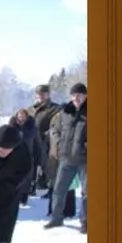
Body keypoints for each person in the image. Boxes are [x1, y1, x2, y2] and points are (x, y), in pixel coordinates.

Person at [45, 83, 88, 233]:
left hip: (85, 159)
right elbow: (54, 130)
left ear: (85, 96)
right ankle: (56, 218)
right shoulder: (65, 112)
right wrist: (57, 143)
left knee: (87, 192)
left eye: (80, 95)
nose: (76, 97)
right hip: (66, 158)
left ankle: (85, 222)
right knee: (59, 189)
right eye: (74, 95)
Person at [28, 84, 63, 193]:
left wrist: (48, 135)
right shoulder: (31, 109)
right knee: (31, 164)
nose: (40, 96)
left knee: (49, 165)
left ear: (48, 94)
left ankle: (51, 188)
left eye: (43, 94)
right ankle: (31, 186)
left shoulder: (55, 108)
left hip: (47, 141)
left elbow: (57, 124)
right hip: (32, 140)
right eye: (38, 94)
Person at [8, 109, 40, 205]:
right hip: (14, 156)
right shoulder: (11, 127)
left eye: (23, 116)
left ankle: (24, 197)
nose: (21, 118)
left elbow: (37, 144)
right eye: (19, 115)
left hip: (28, 156)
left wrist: (39, 158)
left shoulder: (32, 128)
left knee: (26, 178)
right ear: (16, 116)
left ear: (26, 117)